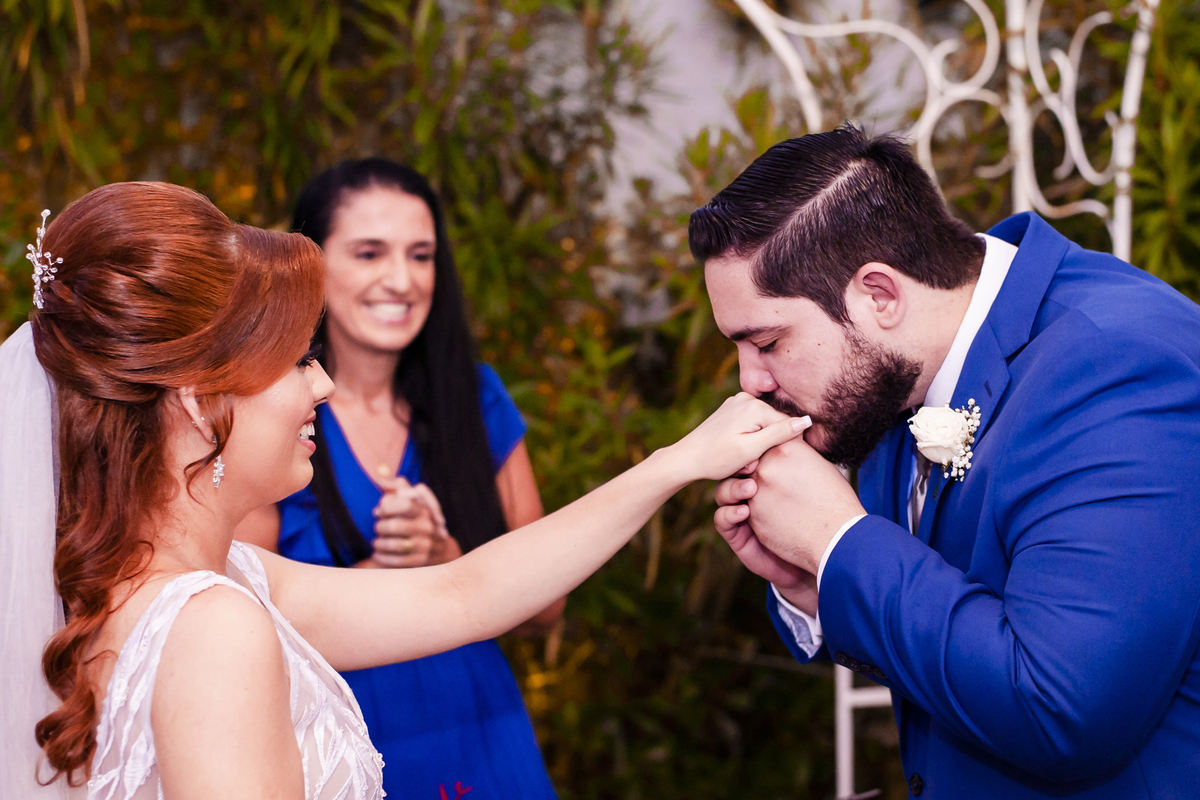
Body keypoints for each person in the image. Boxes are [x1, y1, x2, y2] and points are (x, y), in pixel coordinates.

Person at [0, 181, 809, 800]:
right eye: (291, 362)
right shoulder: (213, 628)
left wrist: (672, 463)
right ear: (198, 399)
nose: (319, 385)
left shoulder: (171, 590)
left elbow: (467, 593)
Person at [692, 126, 1200, 799]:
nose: (749, 379)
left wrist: (838, 542)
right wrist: (815, 580)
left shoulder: (1118, 368)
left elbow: (1062, 712)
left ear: (879, 294)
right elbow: (954, 641)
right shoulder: (894, 373)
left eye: (766, 340)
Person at [235, 158, 562, 798]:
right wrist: (388, 574)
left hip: (483, 734)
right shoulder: (268, 412)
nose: (401, 279)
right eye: (368, 253)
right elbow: (234, 627)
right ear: (313, 265)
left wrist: (448, 558)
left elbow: (546, 610)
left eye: (421, 255)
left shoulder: (477, 398)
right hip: (343, 746)